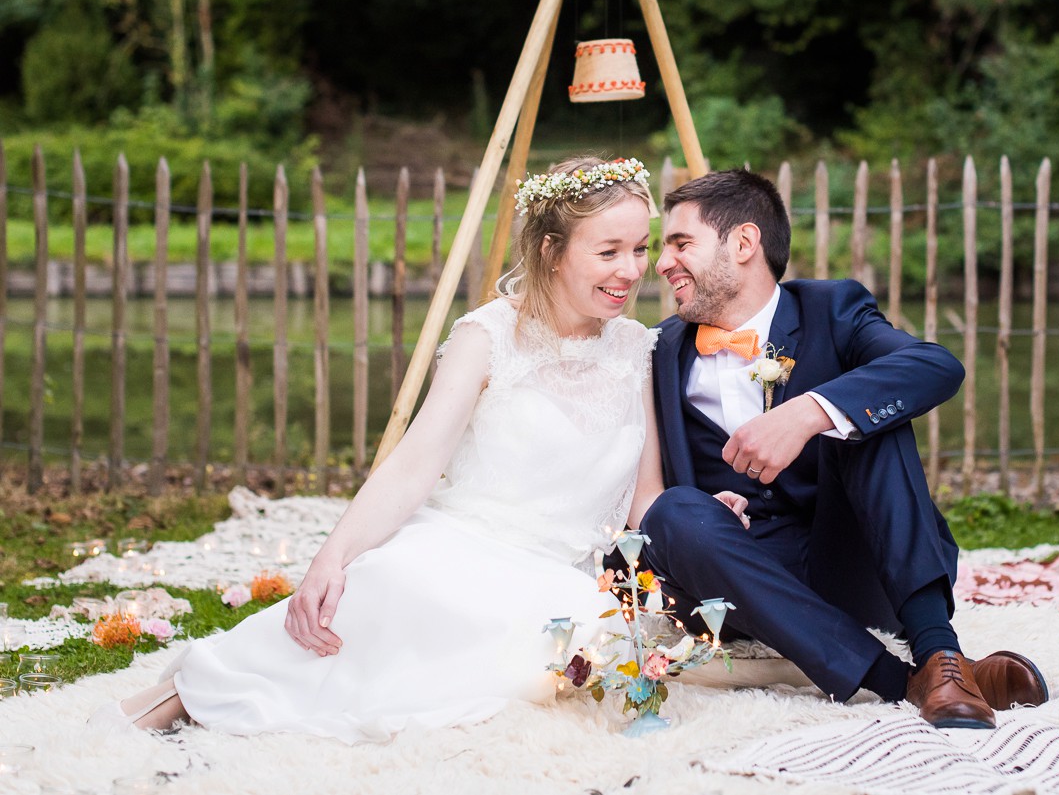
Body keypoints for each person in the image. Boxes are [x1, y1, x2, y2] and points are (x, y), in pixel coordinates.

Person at [90, 157, 743, 742]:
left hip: (558, 576)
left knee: (576, 645)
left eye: (640, 248)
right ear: (551, 249)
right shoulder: (487, 337)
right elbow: (412, 464)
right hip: (459, 543)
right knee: (395, 585)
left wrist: (704, 515)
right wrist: (332, 556)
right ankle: (194, 688)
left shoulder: (638, 349)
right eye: (609, 251)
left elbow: (644, 499)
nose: (632, 270)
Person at [639, 169, 1049, 730]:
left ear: (743, 244)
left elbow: (936, 366)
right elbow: (654, 492)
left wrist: (809, 413)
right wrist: (713, 505)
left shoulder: (833, 310)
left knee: (866, 416)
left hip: (856, 564)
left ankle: (937, 649)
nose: (662, 263)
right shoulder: (660, 351)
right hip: (739, 583)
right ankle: (904, 680)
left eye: (681, 243)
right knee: (673, 512)